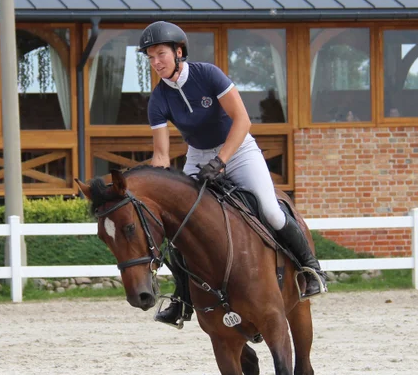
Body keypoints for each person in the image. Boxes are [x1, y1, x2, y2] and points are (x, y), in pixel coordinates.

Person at [140, 21, 326, 329]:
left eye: (160, 54)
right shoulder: (159, 99)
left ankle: (310, 270)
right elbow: (161, 155)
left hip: (238, 149)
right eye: (150, 57)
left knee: (270, 210)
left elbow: (242, 120)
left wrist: (222, 160)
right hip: (198, 156)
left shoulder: (208, 75)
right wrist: (150, 185)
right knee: (178, 231)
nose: (156, 62)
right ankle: (183, 300)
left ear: (179, 52)